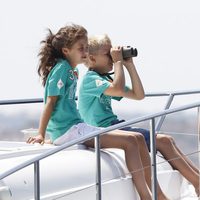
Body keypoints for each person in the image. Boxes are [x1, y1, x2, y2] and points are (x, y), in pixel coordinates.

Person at [26, 24, 169, 200]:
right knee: (131, 141)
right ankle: (147, 196)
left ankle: (157, 194)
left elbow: (136, 95)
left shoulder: (72, 70)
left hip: (75, 127)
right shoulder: (62, 69)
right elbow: (50, 102)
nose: (84, 51)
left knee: (137, 139)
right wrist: (41, 134)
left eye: (86, 47)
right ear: (65, 50)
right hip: (70, 130)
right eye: (81, 48)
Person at [78, 34, 200, 197]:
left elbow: (138, 94)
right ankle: (196, 184)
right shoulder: (91, 80)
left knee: (167, 140)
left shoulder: (104, 79)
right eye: (108, 54)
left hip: (115, 124)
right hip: (103, 128)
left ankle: (198, 181)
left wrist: (129, 65)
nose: (113, 58)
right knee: (163, 140)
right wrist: (119, 63)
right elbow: (119, 89)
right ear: (92, 59)